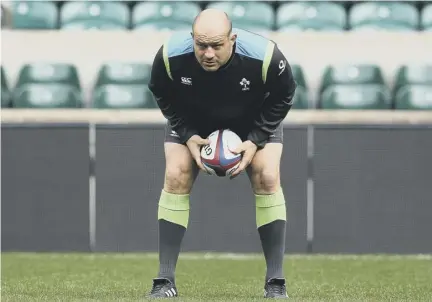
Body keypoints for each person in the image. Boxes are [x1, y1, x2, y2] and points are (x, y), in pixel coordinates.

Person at [147, 8, 296, 299]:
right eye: (201, 45)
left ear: (233, 39)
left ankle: (275, 282)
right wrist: (187, 135)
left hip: (253, 120)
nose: (208, 53)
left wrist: (254, 140)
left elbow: (284, 95)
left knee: (268, 176)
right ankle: (164, 281)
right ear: (192, 39)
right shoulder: (168, 56)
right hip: (193, 120)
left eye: (216, 45)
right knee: (175, 174)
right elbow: (160, 91)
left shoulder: (267, 57)